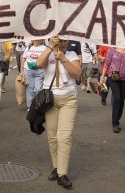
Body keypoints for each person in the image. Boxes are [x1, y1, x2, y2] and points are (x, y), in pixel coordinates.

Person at [36, 35, 81, 189]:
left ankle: (62, 174)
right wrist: (50, 47)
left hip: (69, 99)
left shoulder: (71, 54)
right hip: (50, 100)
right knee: (52, 136)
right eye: (60, 41)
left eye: (65, 41)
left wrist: (63, 58)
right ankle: (56, 166)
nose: (63, 44)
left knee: (65, 136)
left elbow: (77, 74)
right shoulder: (47, 51)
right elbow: (38, 64)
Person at [100, 47, 125, 133]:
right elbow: (107, 63)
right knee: (117, 98)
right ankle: (114, 123)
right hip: (113, 77)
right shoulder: (112, 50)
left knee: (121, 100)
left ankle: (117, 120)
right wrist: (102, 77)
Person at [21, 39, 46, 110]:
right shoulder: (29, 47)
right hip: (28, 70)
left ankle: (37, 104)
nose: (36, 40)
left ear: (41, 40)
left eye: (38, 38)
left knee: (38, 89)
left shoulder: (44, 48)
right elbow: (24, 58)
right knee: (30, 88)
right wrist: (22, 69)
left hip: (40, 70)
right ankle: (30, 106)